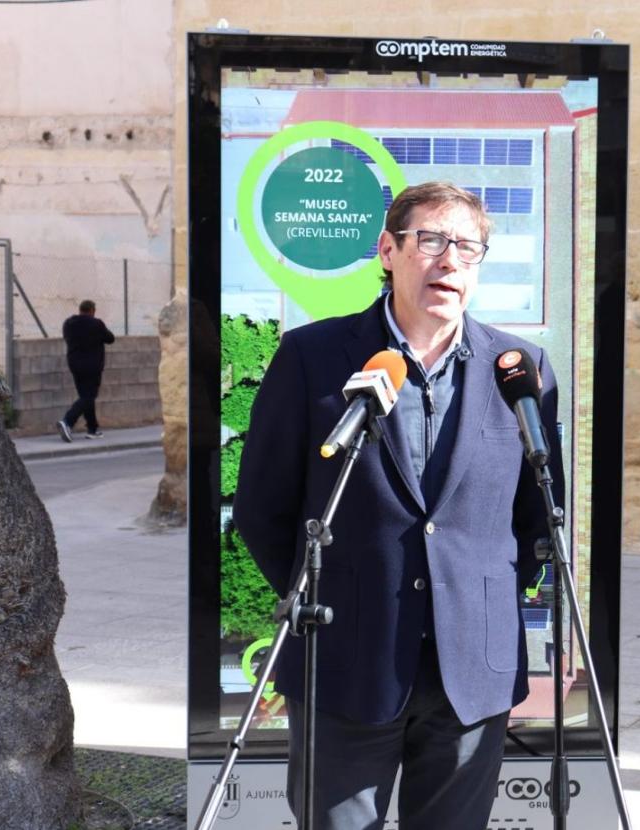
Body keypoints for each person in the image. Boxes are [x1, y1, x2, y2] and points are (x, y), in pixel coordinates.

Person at [232, 182, 563, 830]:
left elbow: (536, 517)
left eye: (467, 246)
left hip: (471, 668)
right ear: (388, 249)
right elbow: (260, 508)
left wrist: (472, 595)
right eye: (431, 241)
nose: (449, 261)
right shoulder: (313, 358)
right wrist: (327, 600)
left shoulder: (519, 368)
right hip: (344, 660)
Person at [57, 299, 115, 442]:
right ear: (92, 311)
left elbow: (67, 338)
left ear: (80, 309)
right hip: (92, 366)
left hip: (75, 365)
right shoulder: (96, 324)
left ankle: (92, 429)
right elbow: (110, 338)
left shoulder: (68, 324)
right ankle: (67, 421)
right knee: (89, 396)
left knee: (85, 396)